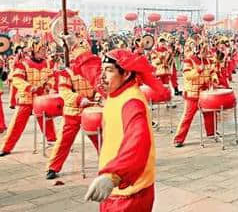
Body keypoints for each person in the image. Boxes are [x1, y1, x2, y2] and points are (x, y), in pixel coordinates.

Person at [83, 48, 164, 211]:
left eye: (109, 70)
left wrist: (113, 176)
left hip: (129, 194)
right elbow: (92, 74)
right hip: (116, 188)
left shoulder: (132, 102)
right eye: (102, 70)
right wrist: (76, 48)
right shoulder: (116, 92)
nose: (102, 76)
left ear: (126, 74)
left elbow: (137, 144)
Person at [46, 36, 102, 180]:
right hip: (73, 110)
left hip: (91, 111)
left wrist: (96, 98)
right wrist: (79, 99)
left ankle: (107, 164)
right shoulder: (67, 72)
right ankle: (53, 167)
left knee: (100, 139)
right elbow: (64, 92)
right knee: (65, 140)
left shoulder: (95, 70)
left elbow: (99, 87)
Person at [1, 38, 57, 156]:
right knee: (17, 123)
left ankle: (52, 141)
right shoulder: (23, 63)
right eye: (40, 50)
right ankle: (6, 148)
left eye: (44, 50)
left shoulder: (47, 63)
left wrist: (49, 86)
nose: (43, 52)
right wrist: (29, 87)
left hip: (42, 98)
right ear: (33, 50)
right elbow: (16, 79)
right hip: (26, 97)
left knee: (47, 120)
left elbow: (52, 77)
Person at [173, 39, 216, 147]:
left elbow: (213, 72)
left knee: (210, 114)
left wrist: (214, 79)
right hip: (193, 94)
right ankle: (179, 139)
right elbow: (188, 76)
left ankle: (211, 133)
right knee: (187, 117)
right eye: (204, 50)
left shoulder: (209, 61)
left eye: (207, 50)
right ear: (198, 50)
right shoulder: (189, 61)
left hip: (205, 94)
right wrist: (197, 71)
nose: (206, 52)